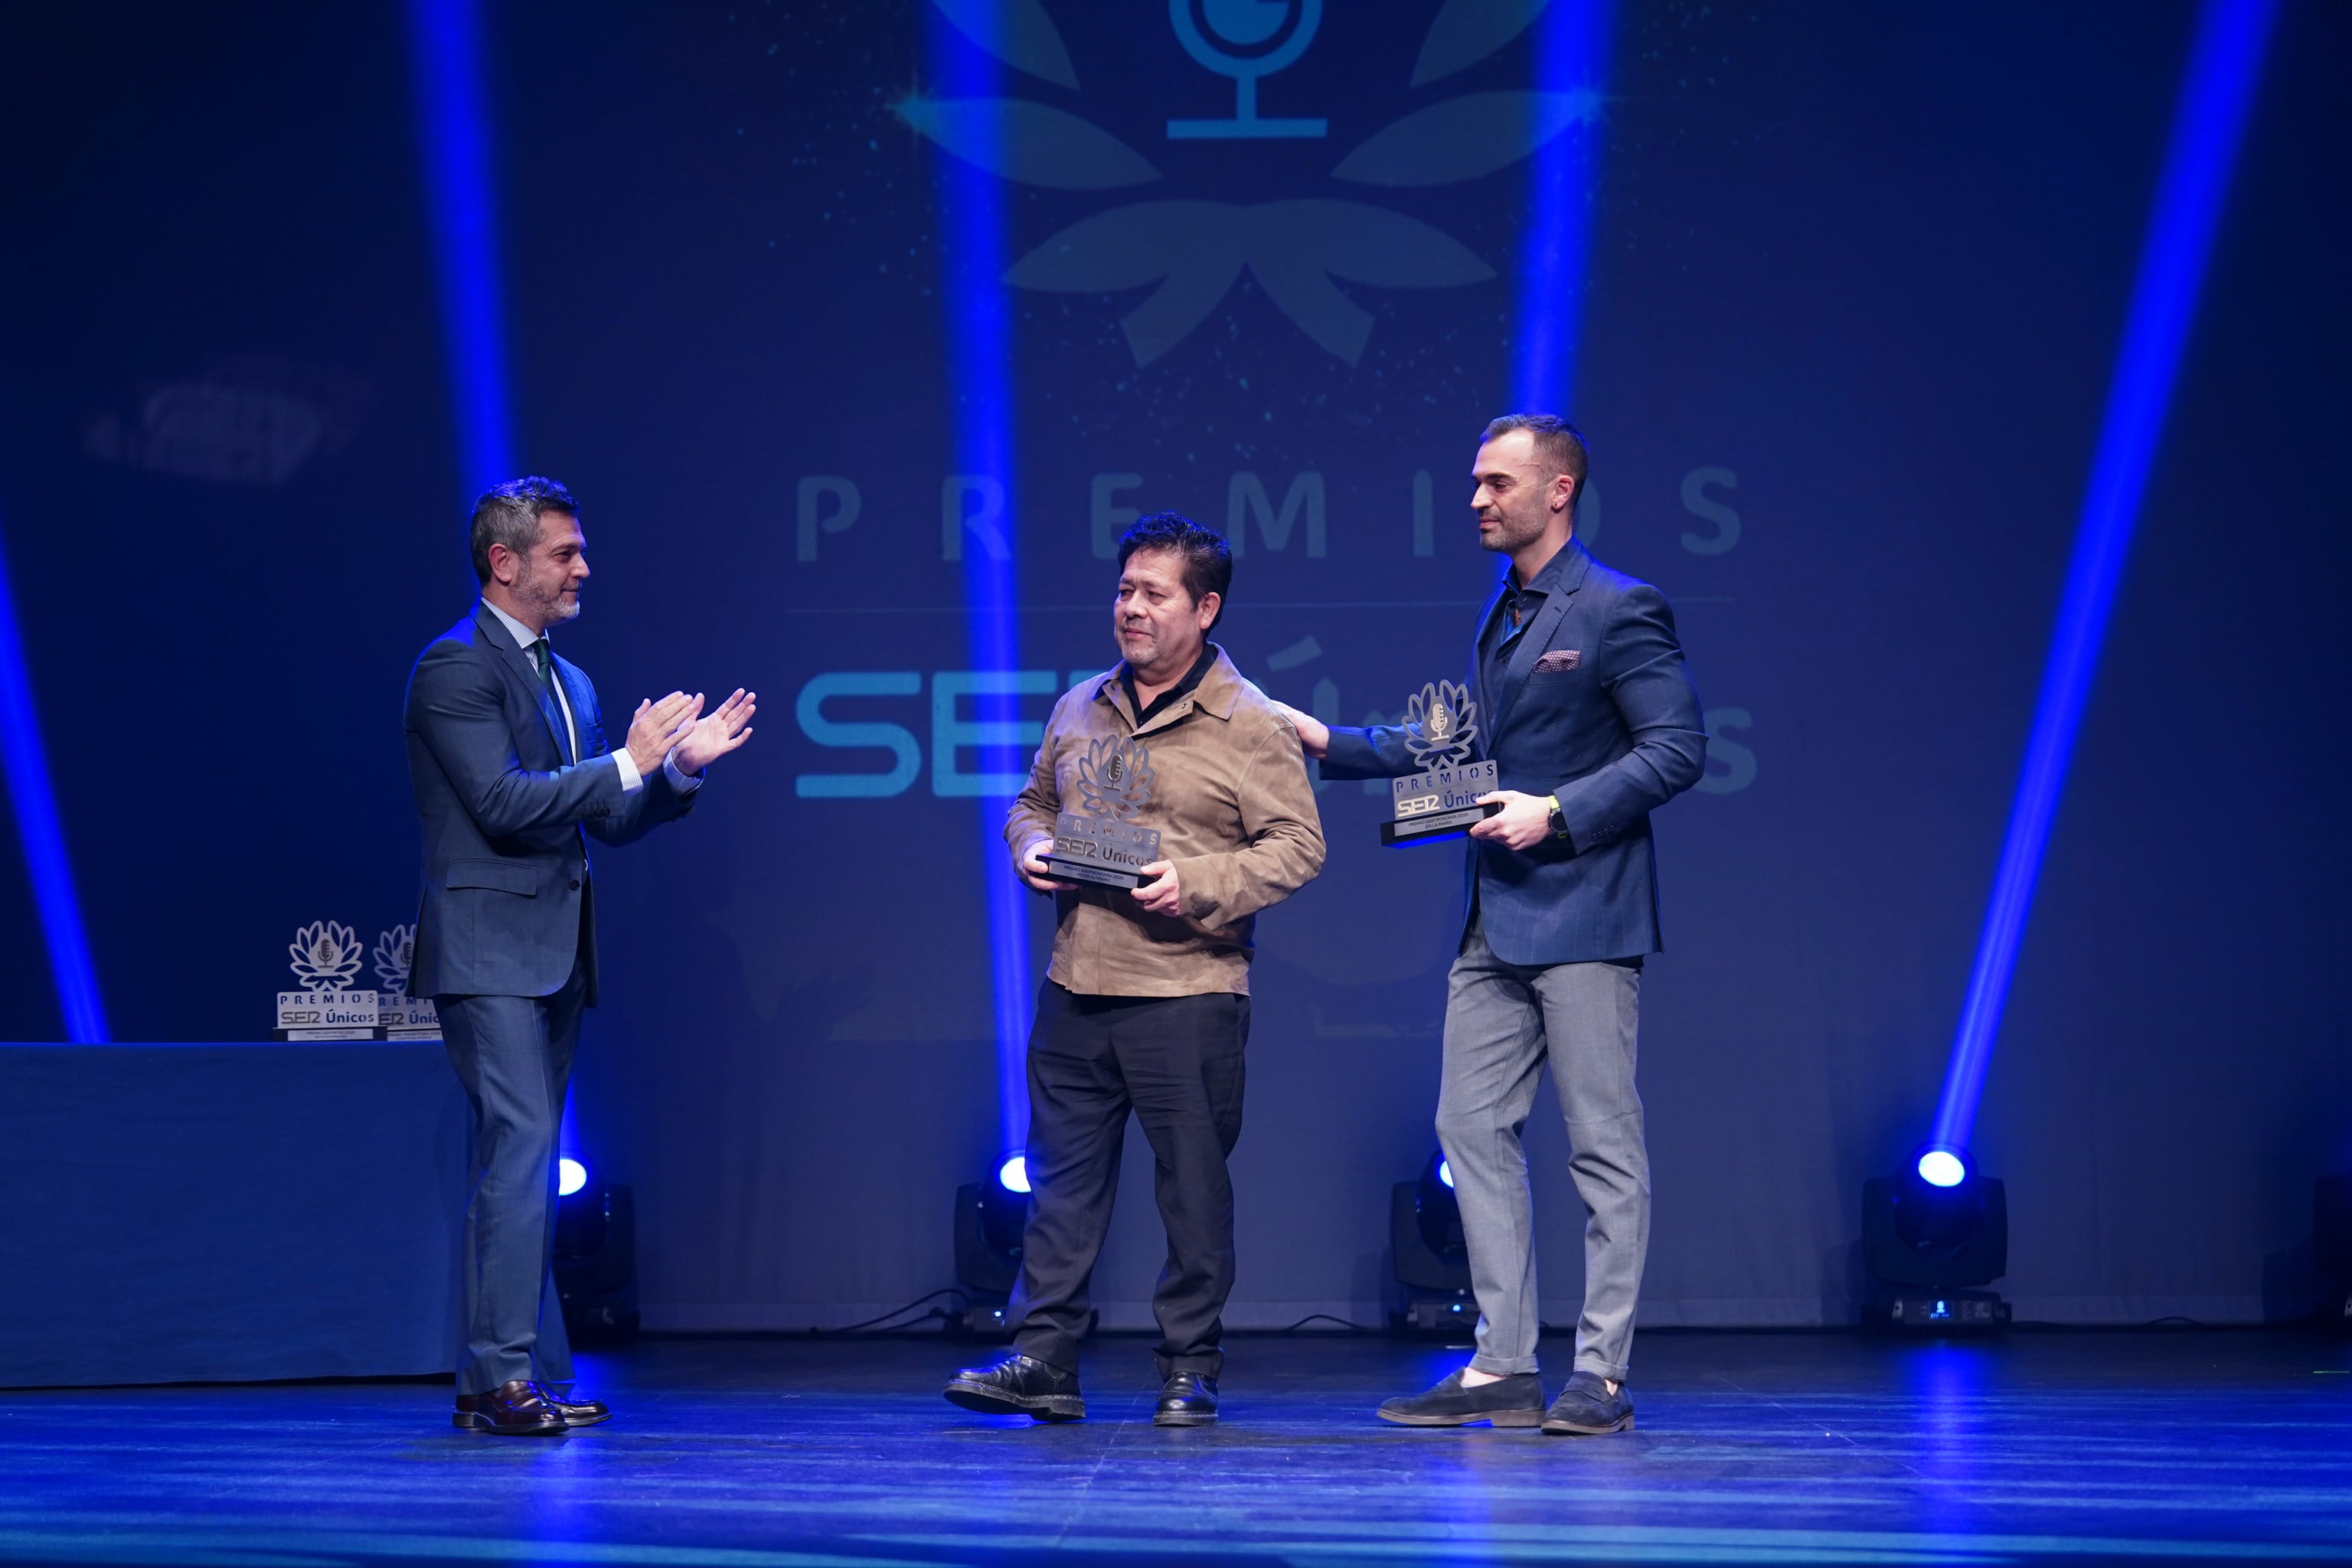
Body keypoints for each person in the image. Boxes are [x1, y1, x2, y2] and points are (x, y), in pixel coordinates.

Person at [1276, 416, 1705, 1436]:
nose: (1476, 498)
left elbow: (1677, 748)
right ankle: (1504, 1363)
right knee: (1470, 1129)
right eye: (1474, 482)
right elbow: (1461, 751)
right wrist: (1329, 741)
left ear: (1557, 492)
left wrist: (1557, 810)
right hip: (1495, 917)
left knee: (1603, 1150)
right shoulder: (1504, 611)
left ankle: (1599, 1374)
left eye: (1495, 482)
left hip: (1587, 915)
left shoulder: (1616, 607)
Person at [944, 512, 1325, 1428]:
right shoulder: (1080, 704)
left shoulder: (1250, 721)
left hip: (1187, 992)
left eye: (1154, 593)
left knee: (1192, 1192)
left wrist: (1195, 880)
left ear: (1207, 606)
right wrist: (1030, 845)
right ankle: (1045, 1358)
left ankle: (1189, 1365)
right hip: (1077, 983)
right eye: (1124, 589)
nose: (1132, 607)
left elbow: (1298, 847)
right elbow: (1034, 800)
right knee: (1059, 1188)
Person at [404, 476, 754, 1436]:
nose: (584, 568)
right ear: (504, 562)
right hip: (487, 956)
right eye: (566, 552)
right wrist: (630, 761)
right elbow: (506, 804)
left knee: (525, 1159)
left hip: (554, 955)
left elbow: (608, 811)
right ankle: (504, 1376)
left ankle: (502, 1381)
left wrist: (675, 770)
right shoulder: (453, 668)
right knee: (519, 1155)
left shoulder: (572, 679)